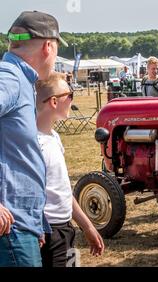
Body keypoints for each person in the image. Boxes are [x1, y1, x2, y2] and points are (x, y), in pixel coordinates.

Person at [0, 11, 67, 267]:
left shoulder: (19, 80)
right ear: (48, 46)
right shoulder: (11, 78)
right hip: (10, 229)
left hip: (20, 225)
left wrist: (35, 221)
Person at [35, 72, 104, 267]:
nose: (73, 99)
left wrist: (87, 226)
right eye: (70, 94)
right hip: (48, 233)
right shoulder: (34, 144)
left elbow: (64, 190)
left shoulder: (54, 137)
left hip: (66, 228)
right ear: (54, 102)